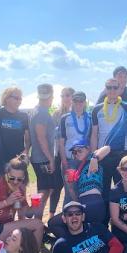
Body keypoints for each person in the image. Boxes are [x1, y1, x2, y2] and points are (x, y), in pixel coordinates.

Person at [0, 155, 45, 244]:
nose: (15, 181)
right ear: (6, 174)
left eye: (19, 179)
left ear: (24, 178)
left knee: (34, 226)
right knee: (38, 224)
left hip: (4, 227)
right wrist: (6, 202)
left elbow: (26, 214)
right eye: (12, 178)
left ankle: (29, 252)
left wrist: (35, 204)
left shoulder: (19, 189)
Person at [47, 139, 110, 238]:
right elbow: (75, 199)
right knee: (53, 223)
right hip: (83, 205)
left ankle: (74, 242)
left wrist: (95, 158)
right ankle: (76, 242)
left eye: (79, 150)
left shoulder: (92, 160)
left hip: (94, 202)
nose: (76, 154)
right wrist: (70, 185)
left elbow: (107, 148)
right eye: (74, 152)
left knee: (54, 223)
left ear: (88, 149)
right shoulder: (78, 171)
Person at [91, 78, 127, 196]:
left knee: (122, 188)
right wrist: (93, 156)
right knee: (103, 189)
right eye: (109, 87)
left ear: (120, 89)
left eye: (115, 87)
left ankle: (120, 209)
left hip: (122, 154)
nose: (112, 90)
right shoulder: (96, 109)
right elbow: (94, 134)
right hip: (102, 155)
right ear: (105, 89)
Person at [28, 84, 56, 220]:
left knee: (45, 189)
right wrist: (50, 158)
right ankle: (35, 219)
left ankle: (34, 216)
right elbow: (41, 137)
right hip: (43, 158)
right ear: (51, 96)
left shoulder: (36, 110)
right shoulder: (42, 113)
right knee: (44, 191)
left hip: (39, 156)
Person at [50, 87, 76, 219]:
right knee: (56, 186)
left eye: (68, 95)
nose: (65, 98)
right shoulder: (56, 114)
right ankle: (51, 216)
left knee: (71, 187)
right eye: (63, 96)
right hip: (58, 154)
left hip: (72, 155)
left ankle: (72, 214)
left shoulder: (78, 114)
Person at [58, 91, 92, 171]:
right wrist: (64, 161)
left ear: (85, 102)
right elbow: (61, 143)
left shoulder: (90, 118)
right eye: (76, 101)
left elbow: (92, 139)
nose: (78, 103)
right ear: (72, 102)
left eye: (81, 101)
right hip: (70, 159)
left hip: (86, 160)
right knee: (70, 180)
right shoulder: (64, 118)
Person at [0, 86, 30, 163]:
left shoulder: (24, 116)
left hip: (18, 159)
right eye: (16, 98)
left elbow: (27, 137)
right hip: (0, 159)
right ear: (6, 98)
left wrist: (26, 151)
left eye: (20, 99)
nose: (19, 101)